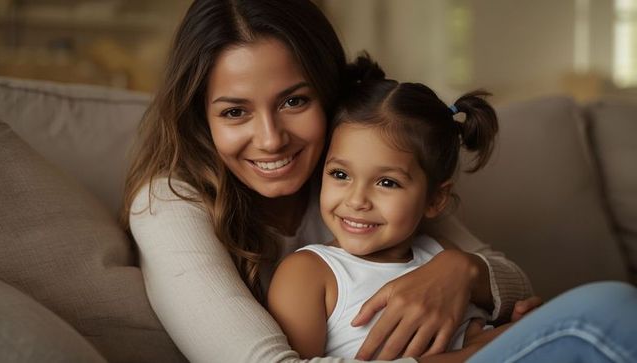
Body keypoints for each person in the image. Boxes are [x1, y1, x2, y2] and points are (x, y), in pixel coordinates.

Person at [122, 0, 534, 361]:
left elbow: (513, 281)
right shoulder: (168, 204)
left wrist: (460, 271)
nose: (271, 140)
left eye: (294, 101)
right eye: (234, 112)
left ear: (329, 94)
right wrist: (478, 356)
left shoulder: (356, 173)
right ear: (200, 118)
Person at [267, 55, 500, 360]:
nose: (357, 200)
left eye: (387, 183)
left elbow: (507, 310)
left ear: (435, 200)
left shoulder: (441, 253)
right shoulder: (308, 275)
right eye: (340, 175)